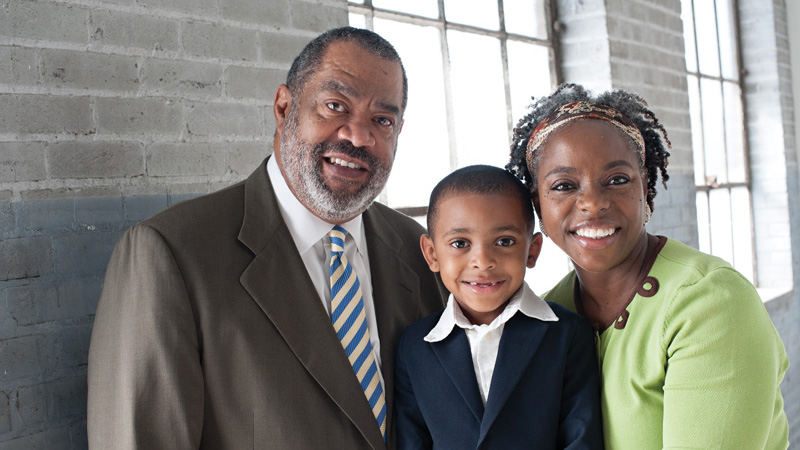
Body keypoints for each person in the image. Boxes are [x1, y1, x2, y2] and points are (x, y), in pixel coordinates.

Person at [87, 27, 447, 450]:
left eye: (382, 120)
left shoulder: (420, 249)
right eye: (335, 106)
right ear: (283, 107)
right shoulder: (170, 254)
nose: (357, 136)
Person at [506, 83, 790, 449]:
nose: (592, 203)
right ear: (538, 206)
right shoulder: (547, 314)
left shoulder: (711, 302)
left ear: (646, 190)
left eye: (618, 180)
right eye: (564, 185)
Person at [394, 165, 604, 450]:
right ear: (432, 254)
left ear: (532, 250)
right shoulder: (415, 346)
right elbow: (412, 441)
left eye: (504, 242)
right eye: (460, 243)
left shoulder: (568, 334)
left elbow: (582, 439)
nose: (482, 261)